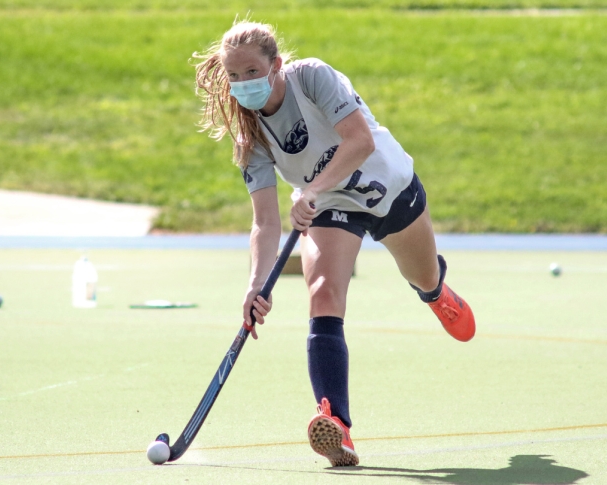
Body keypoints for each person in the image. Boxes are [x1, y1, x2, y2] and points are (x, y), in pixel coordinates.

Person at [193, 20, 476, 467]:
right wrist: (255, 284)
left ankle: (436, 292)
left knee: (421, 277)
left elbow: (359, 141)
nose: (243, 83)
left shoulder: (313, 78)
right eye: (234, 76)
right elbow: (264, 223)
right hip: (328, 207)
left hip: (389, 188)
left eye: (252, 71)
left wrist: (309, 189)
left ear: (276, 65)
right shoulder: (250, 136)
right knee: (323, 291)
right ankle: (336, 421)